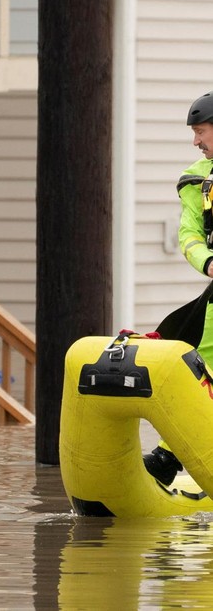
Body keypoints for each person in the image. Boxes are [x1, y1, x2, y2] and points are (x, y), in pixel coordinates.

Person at [144, 91, 213, 485]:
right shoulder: (197, 180)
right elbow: (189, 233)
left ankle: (169, 456)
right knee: (198, 361)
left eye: (200, 131)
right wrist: (207, 261)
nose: (195, 141)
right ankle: (170, 456)